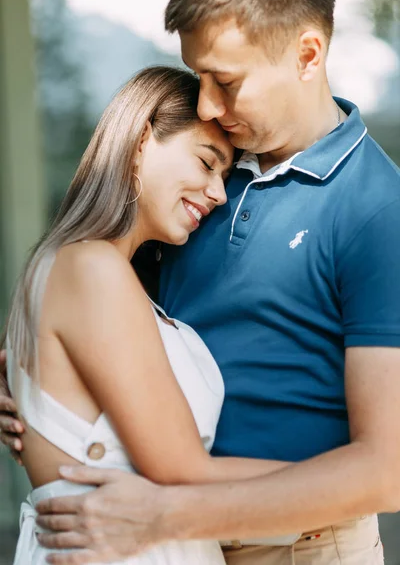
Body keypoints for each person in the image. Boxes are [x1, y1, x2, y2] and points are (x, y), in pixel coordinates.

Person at [1, 0, 400, 563]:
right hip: (161, 536)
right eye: (197, 77)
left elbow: (385, 468)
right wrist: (40, 399)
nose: (207, 104)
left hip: (298, 547)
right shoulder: (187, 194)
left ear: (308, 54)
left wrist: (168, 515)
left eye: (225, 80)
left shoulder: (378, 209)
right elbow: (105, 330)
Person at [0, 65, 304, 565]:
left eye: (225, 177)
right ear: (142, 139)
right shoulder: (91, 268)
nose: (219, 193)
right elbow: (183, 472)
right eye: (207, 163)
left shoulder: (105, 276)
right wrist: (352, 480)